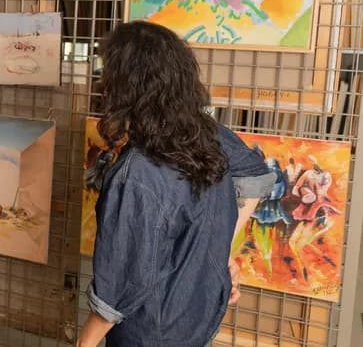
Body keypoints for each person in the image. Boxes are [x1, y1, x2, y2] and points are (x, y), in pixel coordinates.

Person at [78, 21, 276, 347]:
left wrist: (83, 344)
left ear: (126, 84)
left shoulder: (137, 173)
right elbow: (257, 177)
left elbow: (119, 291)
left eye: (107, 71)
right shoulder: (207, 133)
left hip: (149, 332)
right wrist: (217, 253)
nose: (102, 80)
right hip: (200, 316)